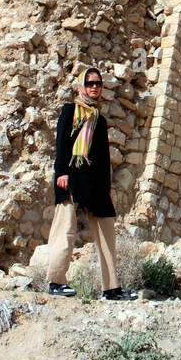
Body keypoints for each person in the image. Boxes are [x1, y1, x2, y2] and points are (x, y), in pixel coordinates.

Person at [45, 65, 133, 300]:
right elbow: (62, 144)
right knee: (64, 229)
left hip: (95, 184)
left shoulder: (99, 119)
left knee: (106, 232)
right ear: (81, 86)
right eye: (89, 83)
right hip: (71, 177)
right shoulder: (70, 110)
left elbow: (103, 158)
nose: (94, 87)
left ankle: (111, 288)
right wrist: (61, 172)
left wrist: (106, 188)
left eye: (98, 84)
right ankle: (56, 281)